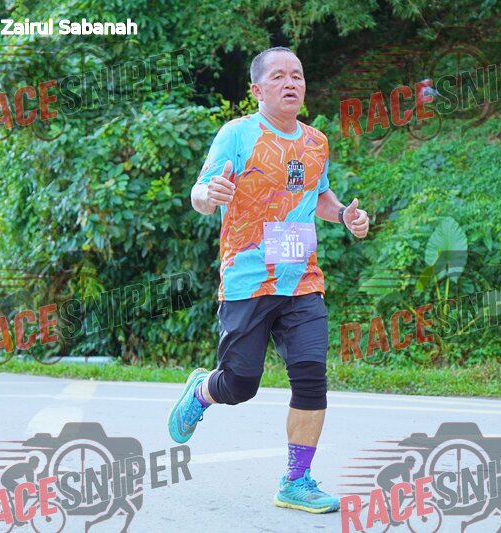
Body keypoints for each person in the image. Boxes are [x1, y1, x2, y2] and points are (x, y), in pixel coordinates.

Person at [168, 46, 369, 514]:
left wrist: (344, 214)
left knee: (311, 378)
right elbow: (201, 191)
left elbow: (319, 196)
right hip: (248, 279)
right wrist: (209, 194)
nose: (290, 82)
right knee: (240, 384)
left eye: (296, 75)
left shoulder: (316, 142)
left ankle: (296, 481)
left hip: (302, 280)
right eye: (278, 76)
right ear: (257, 90)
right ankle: (202, 390)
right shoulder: (237, 134)